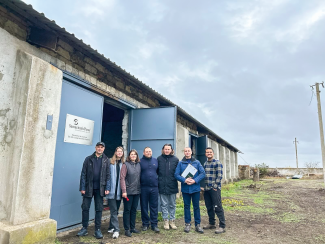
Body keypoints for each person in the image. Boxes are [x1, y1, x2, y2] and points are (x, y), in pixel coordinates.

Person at [77, 142, 110, 239]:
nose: (99, 149)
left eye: (101, 147)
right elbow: (83, 174)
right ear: (95, 148)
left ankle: (97, 230)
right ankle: (84, 228)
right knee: (85, 208)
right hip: (88, 188)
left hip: (100, 189)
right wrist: (82, 187)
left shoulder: (106, 160)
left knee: (99, 209)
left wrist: (107, 188)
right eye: (98, 147)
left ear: (104, 149)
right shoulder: (88, 159)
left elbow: (108, 175)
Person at [175, 147, 205, 234]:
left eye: (188, 151)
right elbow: (176, 174)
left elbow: (203, 173)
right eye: (185, 151)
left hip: (195, 188)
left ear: (191, 152)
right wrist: (185, 180)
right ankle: (187, 224)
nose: (187, 152)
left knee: (196, 207)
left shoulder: (197, 162)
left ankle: (197, 225)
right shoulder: (180, 163)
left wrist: (194, 180)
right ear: (184, 153)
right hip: (185, 189)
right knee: (186, 206)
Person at [201, 147, 226, 234]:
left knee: (217, 207)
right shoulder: (205, 163)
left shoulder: (217, 162)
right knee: (209, 207)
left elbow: (219, 176)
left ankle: (222, 226)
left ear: (213, 153)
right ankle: (212, 223)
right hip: (207, 189)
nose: (209, 153)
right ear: (205, 154)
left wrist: (215, 186)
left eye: (210, 152)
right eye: (207, 152)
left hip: (214, 189)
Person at [157, 144, 179, 230]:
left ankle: (172, 221)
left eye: (168, 149)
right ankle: (165, 221)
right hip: (162, 185)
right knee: (164, 204)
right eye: (165, 149)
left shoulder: (175, 159)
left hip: (172, 185)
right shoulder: (159, 159)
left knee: (172, 204)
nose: (167, 150)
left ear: (171, 150)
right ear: (163, 150)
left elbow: (178, 172)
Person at [120, 149, 141, 237]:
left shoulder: (139, 165)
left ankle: (132, 228)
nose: (133, 156)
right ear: (129, 156)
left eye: (134, 154)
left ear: (136, 156)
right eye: (131, 154)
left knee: (133, 210)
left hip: (137, 191)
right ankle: (126, 229)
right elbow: (122, 178)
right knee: (127, 210)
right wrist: (124, 191)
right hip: (128, 192)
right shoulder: (125, 165)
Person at [140, 147, 160, 233]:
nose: (148, 153)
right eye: (147, 152)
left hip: (154, 187)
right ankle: (145, 224)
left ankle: (154, 224)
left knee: (154, 206)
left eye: (150, 151)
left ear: (152, 152)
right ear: (144, 153)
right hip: (143, 187)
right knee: (144, 206)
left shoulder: (155, 161)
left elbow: (158, 172)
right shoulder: (140, 161)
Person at [107, 146, 124, 239]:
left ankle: (110, 227)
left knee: (115, 211)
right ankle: (116, 230)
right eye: (118, 151)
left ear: (122, 153)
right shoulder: (110, 162)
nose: (119, 153)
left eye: (121, 151)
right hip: (111, 191)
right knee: (113, 211)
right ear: (115, 152)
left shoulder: (124, 164)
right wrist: (107, 187)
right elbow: (107, 177)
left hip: (119, 191)